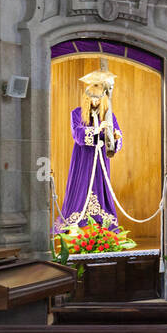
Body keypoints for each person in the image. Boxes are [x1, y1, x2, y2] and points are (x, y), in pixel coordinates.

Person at [53, 69, 122, 234]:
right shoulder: (76, 113)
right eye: (92, 97)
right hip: (83, 157)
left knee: (101, 187)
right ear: (86, 97)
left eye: (98, 97)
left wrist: (116, 136)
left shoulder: (109, 115)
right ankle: (76, 224)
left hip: (100, 161)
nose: (95, 101)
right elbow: (77, 134)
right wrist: (98, 129)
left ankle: (101, 224)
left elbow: (116, 140)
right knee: (82, 186)